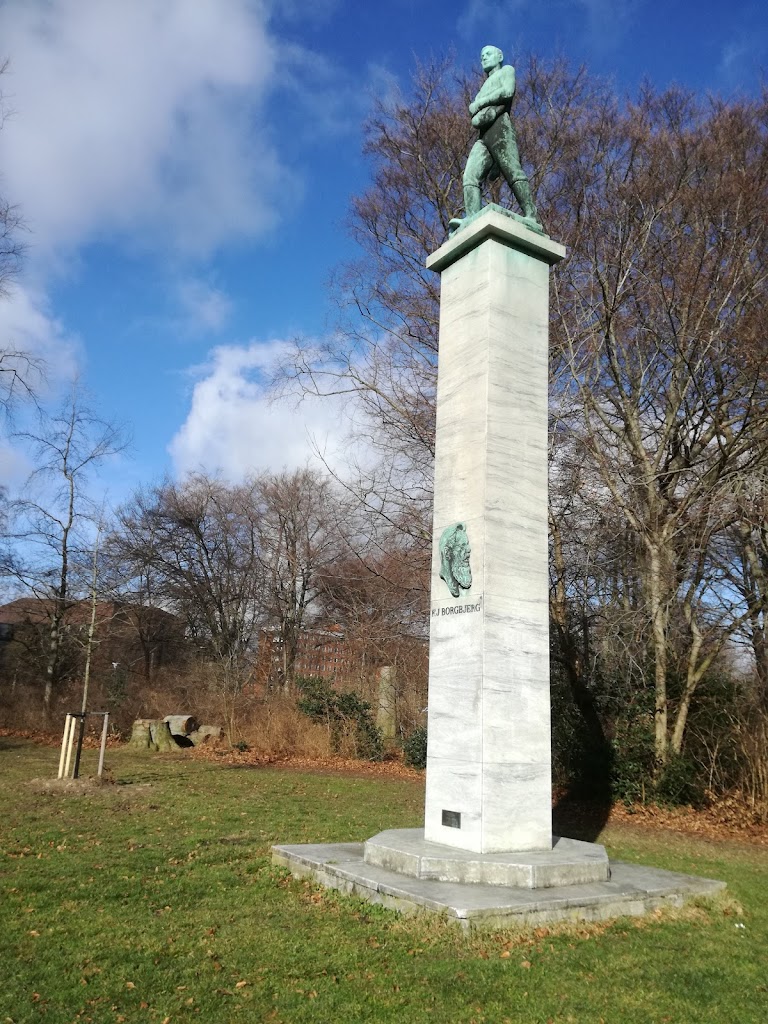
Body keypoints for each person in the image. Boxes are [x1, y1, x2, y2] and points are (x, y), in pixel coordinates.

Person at [450, 45, 540, 231]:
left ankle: (531, 215)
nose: (484, 58)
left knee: (512, 170)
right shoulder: (483, 86)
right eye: (481, 56)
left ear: (500, 56)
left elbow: (507, 92)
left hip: (500, 127)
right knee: (470, 176)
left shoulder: (507, 71)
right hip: (483, 135)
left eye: (488, 54)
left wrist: (479, 103)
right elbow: (474, 116)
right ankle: (472, 218)